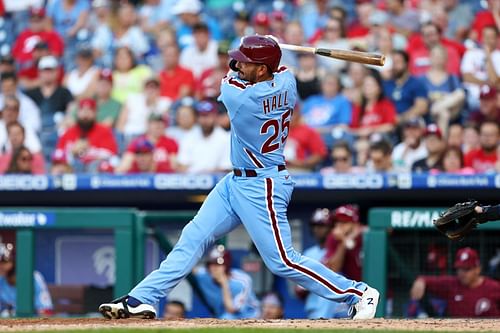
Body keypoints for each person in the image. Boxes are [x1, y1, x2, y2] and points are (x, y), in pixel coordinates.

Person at [98, 34, 379, 320]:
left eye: (247, 62)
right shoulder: (288, 82)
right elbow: (277, 68)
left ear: (261, 69)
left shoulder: (241, 98)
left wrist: (264, 48)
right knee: (192, 238)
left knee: (282, 260)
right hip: (235, 182)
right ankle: (142, 298)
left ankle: (358, 293)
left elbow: (231, 73)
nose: (239, 64)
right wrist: (269, 47)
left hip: (263, 185)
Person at [409, 247, 500, 317]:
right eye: (460, 269)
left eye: (467, 269)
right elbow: (427, 280)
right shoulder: (452, 284)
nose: (462, 273)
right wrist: (420, 281)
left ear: (478, 269)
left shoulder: (494, 287)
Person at [191, 245, 260, 319]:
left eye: (218, 265)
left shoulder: (242, 281)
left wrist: (224, 284)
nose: (213, 268)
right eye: (211, 264)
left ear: (226, 265)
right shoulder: (205, 275)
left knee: (227, 317)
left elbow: (231, 309)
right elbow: (191, 269)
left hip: (250, 316)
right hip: (222, 316)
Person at [0, 243, 53, 317]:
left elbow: (46, 310)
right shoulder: (1, 280)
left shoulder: (33, 278)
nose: (1, 265)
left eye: (4, 262)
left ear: (14, 263)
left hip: (31, 323)